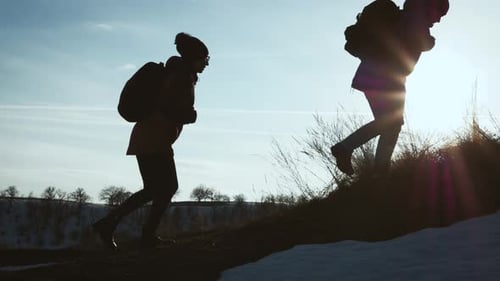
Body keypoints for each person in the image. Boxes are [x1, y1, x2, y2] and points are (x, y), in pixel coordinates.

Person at [93, 32, 210, 250]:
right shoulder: (180, 76)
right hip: (153, 137)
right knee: (166, 187)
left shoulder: (179, 73)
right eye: (205, 59)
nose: (207, 63)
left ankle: (112, 226)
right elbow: (167, 107)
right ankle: (141, 234)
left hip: (150, 136)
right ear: (194, 58)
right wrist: (189, 115)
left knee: (155, 189)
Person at [331, 0, 449, 176]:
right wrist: (430, 42)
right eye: (440, 13)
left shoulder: (410, 14)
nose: (439, 19)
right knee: (392, 122)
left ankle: (379, 170)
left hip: (376, 73)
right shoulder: (416, 16)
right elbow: (417, 40)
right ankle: (349, 150)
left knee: (391, 124)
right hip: (386, 75)